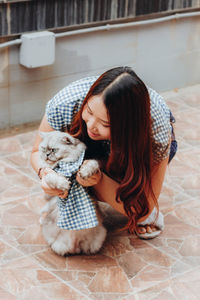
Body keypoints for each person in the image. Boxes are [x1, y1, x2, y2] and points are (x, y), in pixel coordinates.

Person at [31, 66, 177, 239]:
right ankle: (73, 200)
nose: (92, 125)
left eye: (105, 123)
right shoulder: (66, 102)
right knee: (71, 169)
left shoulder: (156, 128)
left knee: (140, 211)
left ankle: (112, 184)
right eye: (89, 112)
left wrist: (99, 180)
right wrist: (45, 173)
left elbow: (145, 207)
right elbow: (35, 152)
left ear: (127, 126)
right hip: (87, 147)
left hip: (134, 147)